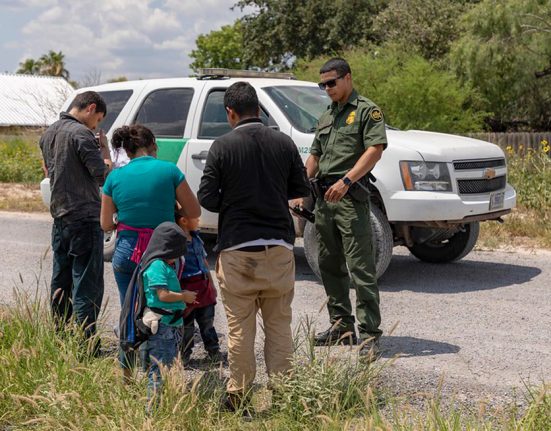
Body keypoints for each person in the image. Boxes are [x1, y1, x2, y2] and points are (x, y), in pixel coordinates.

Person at [198, 81, 311, 414]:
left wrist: (233, 202)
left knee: (239, 331)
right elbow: (300, 188)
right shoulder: (284, 142)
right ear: (259, 109)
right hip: (278, 249)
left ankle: (239, 398)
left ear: (230, 113)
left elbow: (206, 197)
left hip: (237, 251)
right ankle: (284, 395)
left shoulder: (222, 146)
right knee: (279, 328)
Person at [292, 57, 388, 360]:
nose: (327, 88)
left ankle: (370, 333)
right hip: (324, 201)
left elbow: (375, 150)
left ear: (347, 78)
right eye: (323, 84)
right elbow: (316, 155)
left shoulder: (366, 111)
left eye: (331, 82)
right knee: (329, 265)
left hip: (349, 198)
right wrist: (299, 189)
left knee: (360, 267)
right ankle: (341, 326)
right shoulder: (327, 115)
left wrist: (347, 180)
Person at [100, 124, 201, 380]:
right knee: (161, 310)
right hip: (163, 254)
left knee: (129, 310)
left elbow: (105, 224)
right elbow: (194, 212)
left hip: (127, 252)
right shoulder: (169, 171)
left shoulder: (114, 177)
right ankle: (155, 372)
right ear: (153, 145)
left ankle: (126, 373)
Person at [40, 91, 112, 352]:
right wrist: (104, 148)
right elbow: (102, 174)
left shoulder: (49, 133)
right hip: (84, 216)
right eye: (98, 119)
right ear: (91, 108)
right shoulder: (81, 134)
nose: (97, 126)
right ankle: (87, 345)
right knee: (86, 282)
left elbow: (49, 171)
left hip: (60, 216)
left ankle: (59, 338)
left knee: (61, 280)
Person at [136, 222, 197, 410]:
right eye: (178, 253)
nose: (179, 257)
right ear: (167, 248)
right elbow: (162, 295)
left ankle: (160, 405)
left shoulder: (164, 265)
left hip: (171, 324)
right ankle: (151, 411)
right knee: (158, 371)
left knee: (167, 367)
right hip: (162, 328)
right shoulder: (157, 266)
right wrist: (183, 296)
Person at [175, 214, 222, 365]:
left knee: (207, 322)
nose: (199, 221)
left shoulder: (196, 238)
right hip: (186, 286)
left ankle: (213, 350)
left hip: (203, 285)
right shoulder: (176, 241)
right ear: (184, 220)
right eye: (196, 217)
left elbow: (204, 262)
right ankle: (184, 355)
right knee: (186, 325)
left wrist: (211, 284)